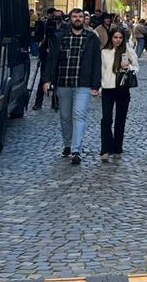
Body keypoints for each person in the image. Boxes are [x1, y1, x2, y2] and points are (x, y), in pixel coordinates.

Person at [42, 9, 102, 165]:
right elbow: (51, 59)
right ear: (69, 19)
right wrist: (47, 79)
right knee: (65, 117)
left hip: (83, 84)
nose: (78, 19)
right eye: (75, 16)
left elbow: (97, 62)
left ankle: (76, 149)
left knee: (79, 115)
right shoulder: (60, 37)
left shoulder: (91, 38)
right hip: (63, 82)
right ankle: (67, 145)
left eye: (80, 17)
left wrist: (96, 84)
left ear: (84, 20)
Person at [99, 27, 138, 162]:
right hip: (108, 88)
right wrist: (97, 86)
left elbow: (136, 67)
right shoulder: (104, 51)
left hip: (122, 88)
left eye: (120, 38)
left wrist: (129, 67)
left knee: (120, 120)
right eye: (115, 37)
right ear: (111, 38)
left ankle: (117, 148)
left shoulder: (127, 51)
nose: (118, 40)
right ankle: (105, 149)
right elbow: (101, 70)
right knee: (106, 119)